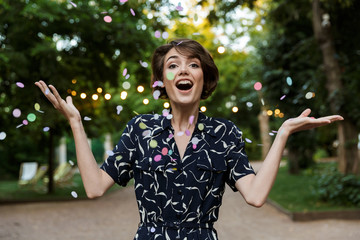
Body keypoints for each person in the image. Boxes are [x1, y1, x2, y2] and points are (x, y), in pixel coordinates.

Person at [35, 38, 343, 240]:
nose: (183, 69)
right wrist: (76, 122)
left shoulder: (225, 133)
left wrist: (285, 131)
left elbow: (256, 195)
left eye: (193, 64)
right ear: (163, 82)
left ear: (204, 79)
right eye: (173, 65)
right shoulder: (141, 129)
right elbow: (93, 187)